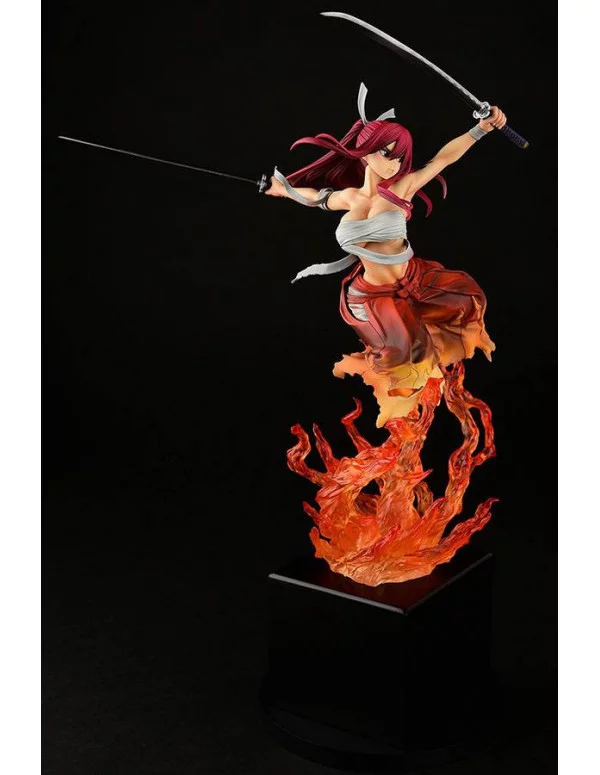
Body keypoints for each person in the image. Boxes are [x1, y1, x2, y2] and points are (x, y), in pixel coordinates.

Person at [265, 83, 506, 426]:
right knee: (403, 362)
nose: (395, 164)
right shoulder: (349, 198)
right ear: (364, 153)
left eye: (400, 157)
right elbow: (314, 197)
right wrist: (282, 189)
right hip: (373, 295)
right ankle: (400, 424)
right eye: (386, 154)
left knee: (467, 305)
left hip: (416, 280)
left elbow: (443, 158)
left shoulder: (402, 189)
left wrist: (480, 129)